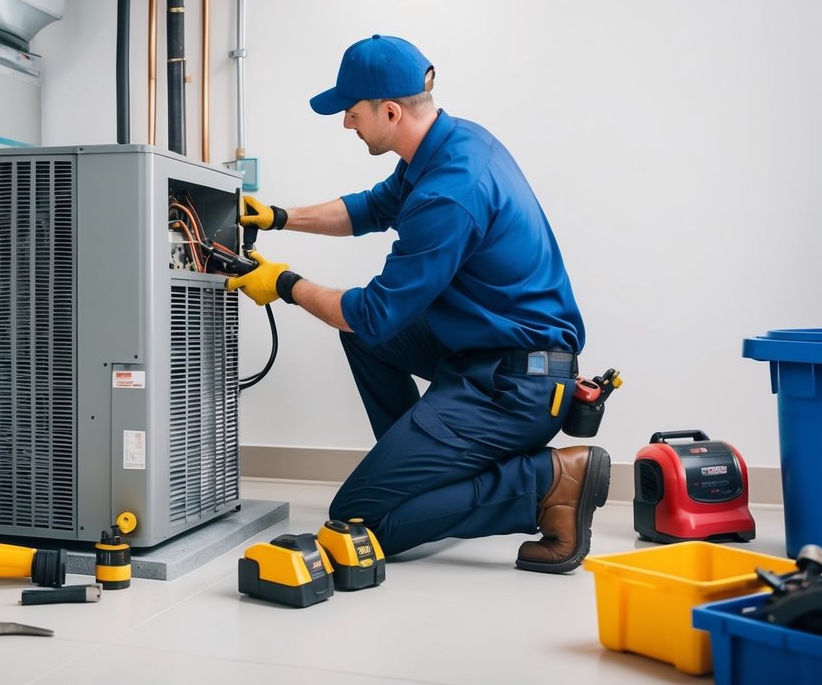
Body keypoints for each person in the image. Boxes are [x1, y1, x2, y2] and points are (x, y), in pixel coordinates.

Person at [229, 34, 610, 573]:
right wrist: (279, 217)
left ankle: (546, 483)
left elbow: (374, 311)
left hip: (514, 386)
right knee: (365, 340)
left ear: (388, 111)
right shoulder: (449, 145)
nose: (345, 123)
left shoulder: (448, 193)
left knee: (357, 521)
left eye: (352, 112)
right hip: (490, 353)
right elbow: (372, 208)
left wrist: (283, 283)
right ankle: (431, 469)